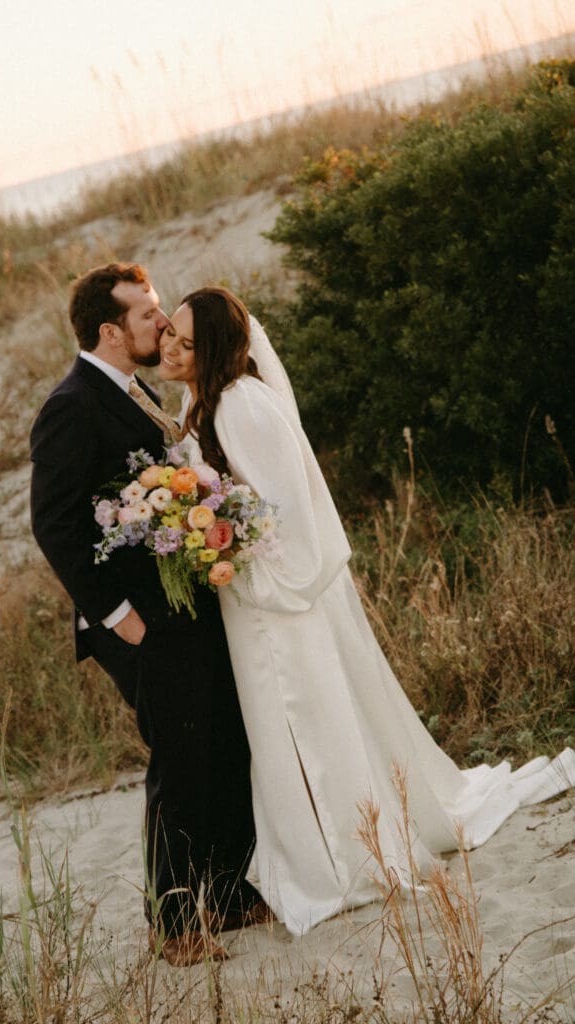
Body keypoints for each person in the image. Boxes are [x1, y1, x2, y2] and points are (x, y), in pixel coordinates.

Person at [158, 285, 575, 937]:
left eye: (185, 341)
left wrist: (217, 537)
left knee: (301, 713)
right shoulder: (199, 401)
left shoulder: (242, 405)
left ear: (211, 350)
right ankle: (310, 848)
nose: (170, 348)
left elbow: (285, 513)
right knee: (280, 726)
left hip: (274, 602)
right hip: (244, 598)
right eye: (168, 335)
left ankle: (343, 855)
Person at [29, 264, 267, 966]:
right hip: (137, 619)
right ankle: (172, 924)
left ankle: (224, 895)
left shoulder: (134, 393)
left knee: (224, 741)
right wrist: (118, 617)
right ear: (110, 330)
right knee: (180, 759)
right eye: (149, 315)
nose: (163, 326)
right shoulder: (72, 405)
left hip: (181, 607)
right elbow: (55, 525)